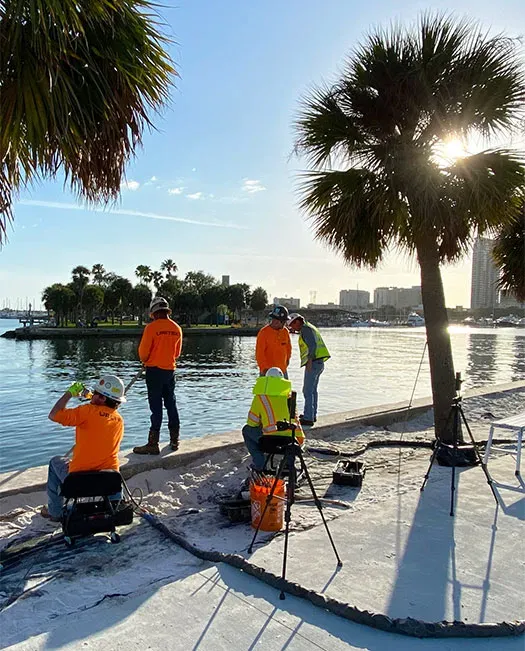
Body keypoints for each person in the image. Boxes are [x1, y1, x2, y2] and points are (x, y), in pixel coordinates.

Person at [41, 375, 126, 522]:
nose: (92, 395)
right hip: (108, 481)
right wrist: (92, 396)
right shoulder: (118, 419)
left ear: (102, 399)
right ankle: (116, 502)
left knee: (55, 462)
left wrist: (70, 393)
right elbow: (101, 414)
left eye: (96, 393)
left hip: (79, 480)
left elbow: (53, 415)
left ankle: (55, 512)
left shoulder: (87, 411)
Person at [133, 296, 183, 455]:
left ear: (154, 312)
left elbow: (143, 354)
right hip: (170, 371)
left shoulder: (151, 328)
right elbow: (177, 353)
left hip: (154, 371)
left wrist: (147, 360)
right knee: (171, 404)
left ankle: (153, 443)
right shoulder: (177, 328)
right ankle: (174, 440)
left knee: (156, 407)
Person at [242, 367, 304, 472]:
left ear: (266, 380)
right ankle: (289, 464)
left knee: (246, 430)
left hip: (270, 441)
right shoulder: (290, 396)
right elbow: (295, 419)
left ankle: (259, 462)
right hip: (294, 440)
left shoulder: (261, 397)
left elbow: (252, 423)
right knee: (288, 436)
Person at [286, 313, 330, 426]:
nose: (292, 328)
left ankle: (308, 418)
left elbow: (313, 345)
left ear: (297, 321)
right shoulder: (310, 327)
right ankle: (312, 414)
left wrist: (309, 361)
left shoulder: (305, 329)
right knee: (313, 390)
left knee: (307, 390)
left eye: (292, 325)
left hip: (313, 363)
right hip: (319, 362)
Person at [255, 305, 292, 378]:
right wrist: (264, 369)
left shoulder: (285, 332)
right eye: (284, 321)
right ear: (277, 321)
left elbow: (288, 349)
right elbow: (259, 354)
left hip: (282, 371)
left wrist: (287, 361)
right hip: (267, 372)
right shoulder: (264, 333)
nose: (285, 323)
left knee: (285, 389)